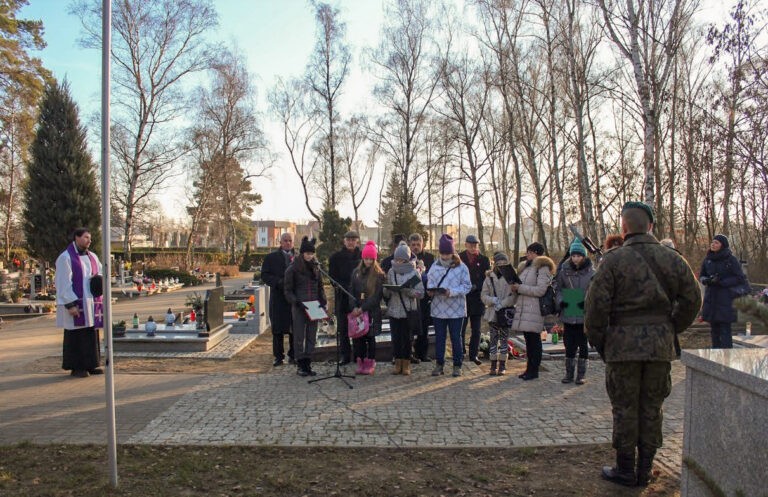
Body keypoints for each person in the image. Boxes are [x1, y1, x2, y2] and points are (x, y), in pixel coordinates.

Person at [584, 201, 701, 487]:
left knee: (625, 406)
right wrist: (670, 327)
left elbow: (595, 308)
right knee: (652, 406)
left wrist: (601, 342)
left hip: (622, 346)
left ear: (623, 228)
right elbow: (693, 300)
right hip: (659, 347)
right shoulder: (673, 259)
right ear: (650, 227)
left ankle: (626, 469)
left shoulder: (612, 261)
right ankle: (646, 468)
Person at [55, 228, 104, 378]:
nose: (89, 240)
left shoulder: (93, 257)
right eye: (86, 237)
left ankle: (91, 364)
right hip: (76, 303)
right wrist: (70, 304)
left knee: (90, 333)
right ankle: (76, 367)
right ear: (76, 237)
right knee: (76, 335)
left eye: (90, 238)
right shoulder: (66, 258)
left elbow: (100, 273)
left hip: (91, 302)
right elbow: (63, 282)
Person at [427, 234, 472, 377]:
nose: (445, 256)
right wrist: (431, 291)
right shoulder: (434, 266)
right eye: (442, 253)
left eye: (447, 253)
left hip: (456, 309)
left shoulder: (462, 267)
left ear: (452, 253)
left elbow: (467, 286)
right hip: (438, 308)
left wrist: (451, 292)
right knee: (440, 337)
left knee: (455, 337)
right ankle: (439, 364)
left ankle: (457, 365)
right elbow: (430, 283)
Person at [509, 242, 555, 381]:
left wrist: (520, 288)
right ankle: (529, 368)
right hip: (524, 308)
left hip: (534, 309)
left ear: (535, 253)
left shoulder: (542, 268)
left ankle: (534, 369)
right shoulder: (526, 267)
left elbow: (541, 290)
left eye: (529, 252)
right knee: (529, 341)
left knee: (534, 341)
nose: (527, 255)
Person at [284, 237, 327, 377]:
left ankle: (308, 362)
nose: (309, 256)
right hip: (299, 306)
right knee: (298, 336)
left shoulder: (316, 268)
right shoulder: (293, 268)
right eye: (307, 253)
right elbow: (288, 290)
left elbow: (320, 287)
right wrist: (295, 302)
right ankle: (300, 363)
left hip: (314, 306)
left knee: (311, 336)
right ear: (302, 253)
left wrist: (323, 302)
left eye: (311, 253)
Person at [554, 239, 595, 385]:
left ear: (583, 257)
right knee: (569, 344)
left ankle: (581, 374)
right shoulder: (564, 271)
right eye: (573, 256)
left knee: (583, 345)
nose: (575, 258)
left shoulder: (591, 273)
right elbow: (558, 289)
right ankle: (569, 373)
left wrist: (588, 302)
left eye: (578, 256)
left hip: (583, 314)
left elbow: (594, 291)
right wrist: (560, 301)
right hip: (569, 313)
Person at [384, 241, 425, 376]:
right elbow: (387, 292)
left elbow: (421, 293)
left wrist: (409, 291)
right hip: (394, 310)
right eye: (397, 259)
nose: (399, 262)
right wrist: (387, 290)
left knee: (407, 339)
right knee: (396, 338)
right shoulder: (391, 271)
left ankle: (406, 363)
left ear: (407, 259)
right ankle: (398, 363)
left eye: (402, 259)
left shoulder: (414, 272)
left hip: (408, 310)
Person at [700, 234, 746, 349]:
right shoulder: (708, 259)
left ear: (722, 245)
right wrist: (706, 280)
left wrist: (722, 281)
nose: (713, 245)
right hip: (711, 298)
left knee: (725, 329)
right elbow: (702, 275)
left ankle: (726, 356)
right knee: (714, 330)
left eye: (716, 243)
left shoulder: (731, 259)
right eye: (712, 242)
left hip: (725, 298)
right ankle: (716, 355)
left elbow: (739, 278)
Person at [349, 241, 386, 375]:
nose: (368, 261)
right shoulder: (356, 273)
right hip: (358, 310)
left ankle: (370, 361)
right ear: (363, 258)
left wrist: (363, 308)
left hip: (371, 311)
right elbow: (351, 291)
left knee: (370, 338)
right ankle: (360, 361)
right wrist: (353, 307)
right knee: (358, 338)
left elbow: (377, 296)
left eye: (371, 259)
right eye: (366, 258)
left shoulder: (379, 275)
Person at [260, 232, 296, 366]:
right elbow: (265, 275)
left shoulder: (298, 258)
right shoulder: (271, 257)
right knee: (277, 329)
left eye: (290, 240)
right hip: (278, 297)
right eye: (285, 240)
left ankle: (293, 355)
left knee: (294, 328)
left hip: (293, 298)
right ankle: (278, 356)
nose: (287, 243)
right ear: (280, 242)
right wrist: (278, 282)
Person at [480, 252, 518, 375]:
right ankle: (492, 364)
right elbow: (483, 295)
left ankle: (502, 364)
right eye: (499, 263)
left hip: (505, 312)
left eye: (504, 263)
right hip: (493, 313)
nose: (501, 265)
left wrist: (503, 303)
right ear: (495, 264)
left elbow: (514, 296)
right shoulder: (489, 277)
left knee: (504, 339)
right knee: (493, 339)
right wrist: (492, 300)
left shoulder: (511, 277)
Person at [328, 230, 361, 365]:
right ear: (344, 241)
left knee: (359, 327)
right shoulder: (335, 257)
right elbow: (332, 277)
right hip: (342, 296)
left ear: (357, 241)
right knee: (343, 328)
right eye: (348, 239)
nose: (351, 242)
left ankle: (359, 355)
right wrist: (342, 285)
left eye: (353, 239)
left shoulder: (362, 256)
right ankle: (345, 355)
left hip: (357, 296)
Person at [459, 235, 491, 365]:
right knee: (461, 328)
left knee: (476, 329)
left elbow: (486, 278)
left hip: (477, 298)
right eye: (470, 245)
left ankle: (474, 354)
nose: (473, 247)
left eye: (475, 245)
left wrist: (477, 286)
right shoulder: (460, 258)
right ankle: (460, 352)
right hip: (463, 297)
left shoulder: (484, 259)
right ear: (466, 245)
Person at [409, 233, 435, 362]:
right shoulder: (406, 258)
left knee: (424, 327)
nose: (415, 247)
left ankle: (422, 353)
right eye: (413, 245)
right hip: (411, 297)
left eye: (418, 244)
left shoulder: (430, 258)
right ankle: (410, 353)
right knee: (410, 327)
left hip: (425, 297)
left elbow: (434, 276)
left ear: (423, 244)